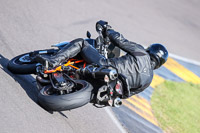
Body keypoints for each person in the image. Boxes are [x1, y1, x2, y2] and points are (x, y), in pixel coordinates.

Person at [36, 20, 168, 98]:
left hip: (105, 66)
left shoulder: (141, 53)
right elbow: (127, 95)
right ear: (159, 64)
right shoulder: (149, 80)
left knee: (82, 43)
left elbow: (120, 41)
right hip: (109, 89)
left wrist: (107, 30)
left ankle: (53, 61)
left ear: (150, 51)